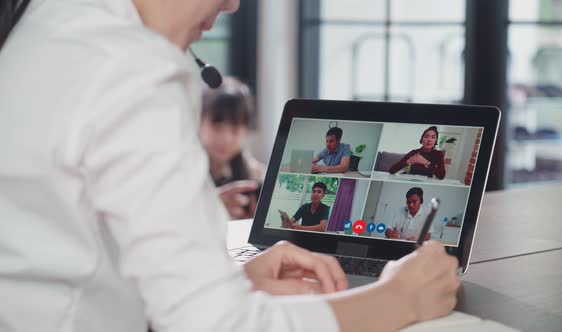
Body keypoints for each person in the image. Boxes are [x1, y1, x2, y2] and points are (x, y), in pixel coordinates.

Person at [0, 1, 460, 332]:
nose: (234, 4)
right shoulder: (130, 69)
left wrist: (227, 283)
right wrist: (399, 299)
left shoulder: (45, 27)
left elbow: (65, 269)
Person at [199, 76, 266, 219]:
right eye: (217, 127)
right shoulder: (185, 171)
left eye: (235, 129)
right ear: (199, 122)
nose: (226, 138)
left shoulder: (256, 175)